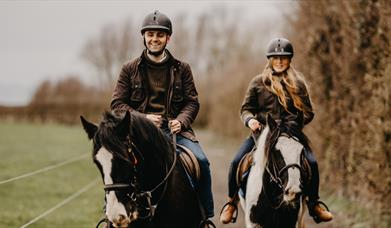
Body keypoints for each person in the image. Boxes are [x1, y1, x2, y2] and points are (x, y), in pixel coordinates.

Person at [110, 10, 214, 220]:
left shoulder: (182, 69)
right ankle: (112, 216)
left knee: (202, 161)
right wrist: (143, 118)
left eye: (160, 35)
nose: (154, 39)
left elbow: (192, 102)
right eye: (150, 34)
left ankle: (205, 217)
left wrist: (181, 121)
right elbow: (117, 104)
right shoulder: (129, 69)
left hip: (175, 131)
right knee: (116, 165)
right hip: (139, 133)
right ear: (144, 37)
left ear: (168, 38)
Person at [219, 38, 333, 224]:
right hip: (262, 135)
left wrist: (295, 125)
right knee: (236, 161)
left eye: (284, 57)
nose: (279, 61)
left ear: (290, 60)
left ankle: (314, 204)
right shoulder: (258, 82)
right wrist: (251, 121)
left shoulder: (299, 83)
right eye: (275, 58)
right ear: (269, 60)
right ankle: (231, 203)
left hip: (291, 135)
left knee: (311, 162)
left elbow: (309, 112)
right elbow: (245, 109)